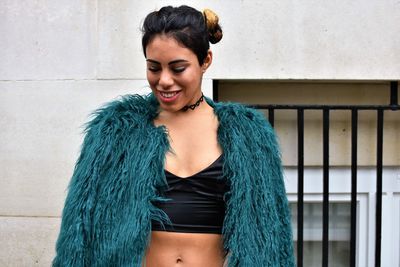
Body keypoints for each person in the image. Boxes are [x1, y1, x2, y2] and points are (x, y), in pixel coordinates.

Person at [52, 5, 295, 267]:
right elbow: (78, 227)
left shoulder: (248, 136)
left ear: (206, 61)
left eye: (178, 68)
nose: (164, 80)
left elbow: (272, 235)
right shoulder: (116, 131)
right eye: (154, 68)